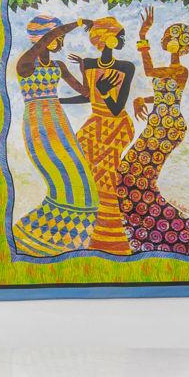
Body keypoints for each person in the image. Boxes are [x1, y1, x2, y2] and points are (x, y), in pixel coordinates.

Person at [117, 11, 189, 258]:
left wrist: (142, 36)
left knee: (135, 176)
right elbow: (164, 93)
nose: (172, 41)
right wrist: (141, 98)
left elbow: (149, 72)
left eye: (178, 39)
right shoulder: (171, 71)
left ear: (185, 46)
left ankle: (173, 233)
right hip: (158, 124)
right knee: (129, 173)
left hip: (168, 127)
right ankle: (146, 229)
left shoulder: (180, 71)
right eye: (170, 36)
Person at [9, 14, 93, 257]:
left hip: (59, 121)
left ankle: (71, 236)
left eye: (62, 35)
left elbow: (86, 93)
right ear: (42, 38)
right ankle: (36, 236)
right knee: (61, 178)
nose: (61, 39)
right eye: (58, 35)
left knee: (81, 177)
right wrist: (78, 23)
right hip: (38, 123)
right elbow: (47, 38)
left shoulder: (58, 66)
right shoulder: (26, 64)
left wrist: (84, 70)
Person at [63, 15, 137, 255]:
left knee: (105, 177)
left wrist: (105, 93)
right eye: (119, 35)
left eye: (117, 35)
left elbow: (116, 108)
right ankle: (84, 230)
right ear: (102, 39)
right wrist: (57, 100)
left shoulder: (127, 67)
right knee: (80, 169)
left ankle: (111, 237)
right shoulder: (90, 64)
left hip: (116, 126)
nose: (122, 39)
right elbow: (87, 96)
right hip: (95, 124)